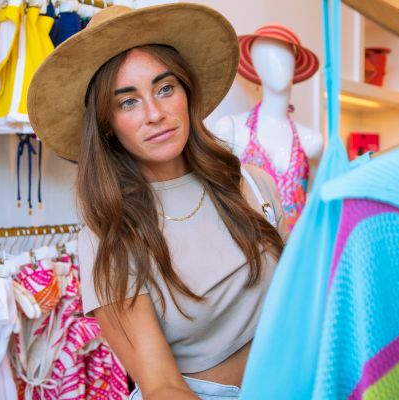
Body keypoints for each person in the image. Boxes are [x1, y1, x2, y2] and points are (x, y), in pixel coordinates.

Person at [27, 4, 289, 399]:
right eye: (127, 101)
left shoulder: (253, 184)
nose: (155, 114)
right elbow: (161, 385)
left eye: (165, 88)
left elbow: (295, 307)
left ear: (187, 93)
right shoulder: (109, 234)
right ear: (108, 125)